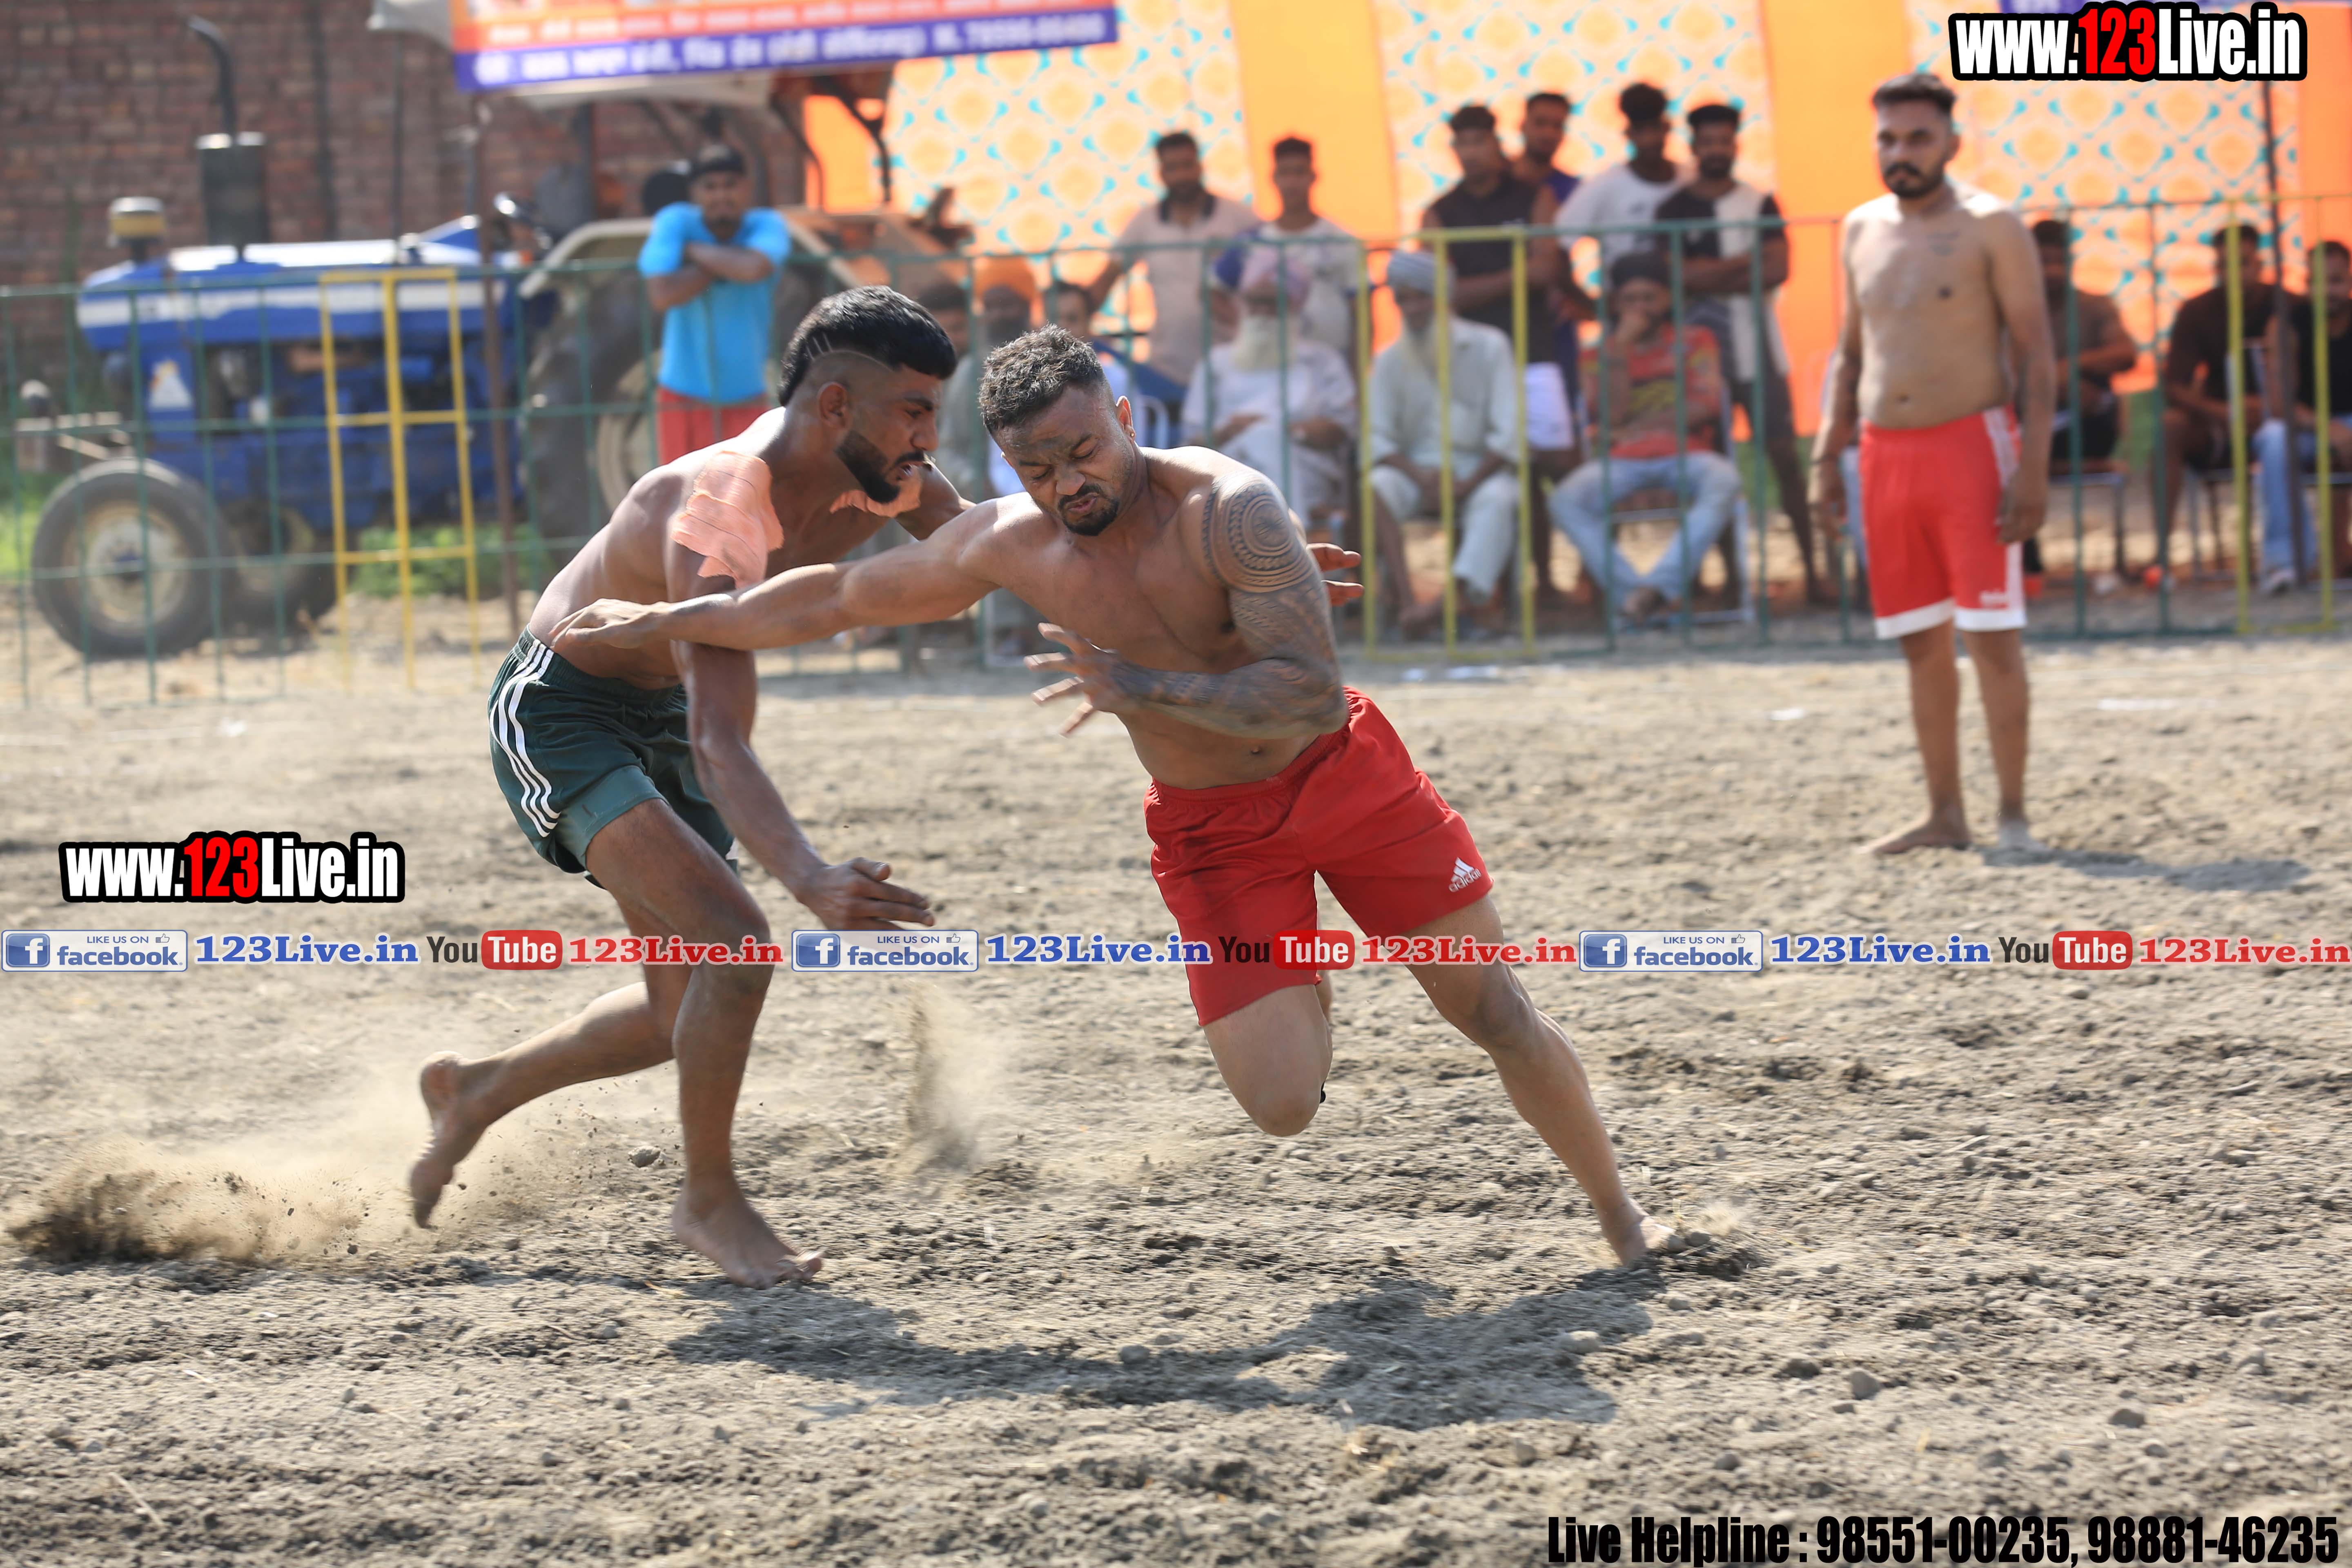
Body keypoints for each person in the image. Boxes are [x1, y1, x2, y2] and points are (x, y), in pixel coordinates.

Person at [555, 326, 1676, 1267]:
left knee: (1491, 1010)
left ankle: (1625, 1223)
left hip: (1346, 780)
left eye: (1083, 451)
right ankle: (1303, 974)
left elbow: (1306, 688)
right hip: (1213, 832)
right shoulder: (1012, 544)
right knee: (1282, 1104)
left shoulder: (1230, 507)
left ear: (1126, 416)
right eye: (1037, 469)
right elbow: (833, 598)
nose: (1067, 484)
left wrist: (1142, 686)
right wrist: (660, 620)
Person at [408, 288, 963, 1289]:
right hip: (564, 711)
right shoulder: (721, 509)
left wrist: (1171, 595)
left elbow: (995, 548)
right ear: (837, 406)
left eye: (935, 412)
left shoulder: (884, 469)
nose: (931, 438)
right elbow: (719, 735)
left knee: (681, 1010)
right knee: (737, 947)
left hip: (657, 712)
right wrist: (806, 875)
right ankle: (708, 1201)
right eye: (914, 411)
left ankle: (474, 1092)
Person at [1809, 73, 2054, 855]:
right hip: (1885, 455)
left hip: (1972, 448)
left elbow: (2036, 353)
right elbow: (1851, 353)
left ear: (1951, 142)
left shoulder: (1993, 226)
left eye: (1918, 138)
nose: (1901, 153)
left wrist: (2035, 467)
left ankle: (2013, 817)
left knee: (1991, 637)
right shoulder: (1860, 228)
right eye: (1888, 138)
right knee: (1919, 639)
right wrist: (1827, 453)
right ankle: (1945, 815)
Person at [1653, 102, 1826, 603]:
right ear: (1693, 146)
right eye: (1707, 142)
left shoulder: (1760, 203)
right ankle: (1729, 578)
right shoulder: (1673, 209)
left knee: (1784, 457)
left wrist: (1703, 274)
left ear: (1736, 144)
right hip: (1699, 363)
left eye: (1723, 141)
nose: (1716, 150)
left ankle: (1815, 573)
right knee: (1711, 465)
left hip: (1759, 349)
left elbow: (1777, 269)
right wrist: (1742, 265)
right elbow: (1673, 276)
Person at [1551, 252, 1742, 624]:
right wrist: (1620, 350)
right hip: (1622, 460)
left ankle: (1653, 591)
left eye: (1649, 298)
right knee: (1565, 500)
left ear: (1668, 299)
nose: (1640, 309)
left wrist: (1638, 429)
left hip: (1686, 453)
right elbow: (1610, 416)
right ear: (1615, 304)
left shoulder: (1695, 341)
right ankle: (1641, 596)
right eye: (1630, 300)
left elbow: (1704, 405)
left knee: (1725, 480)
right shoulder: (1597, 354)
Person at [1369, 251, 1523, 636]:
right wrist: (1422, 477)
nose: (1413, 309)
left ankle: (1443, 609)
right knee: (1377, 486)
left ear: (1444, 297)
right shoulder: (1388, 360)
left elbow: (1508, 435)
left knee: (1500, 498)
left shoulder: (1490, 346)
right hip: (1417, 473)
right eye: (1404, 300)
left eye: (1422, 297)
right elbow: (1378, 439)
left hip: (1479, 471)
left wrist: (1466, 484)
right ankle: (1408, 604)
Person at [1183, 250, 1356, 532]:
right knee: (1255, 452)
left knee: (1265, 440)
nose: (1263, 312)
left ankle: (1279, 536)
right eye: (1255, 302)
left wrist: (1286, 431)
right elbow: (1193, 441)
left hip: (1303, 466)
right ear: (1243, 304)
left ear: (1293, 307)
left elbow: (1342, 427)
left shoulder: (1321, 361)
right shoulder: (1217, 362)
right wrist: (1230, 432)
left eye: (1273, 303)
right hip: (1229, 463)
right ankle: (1291, 536)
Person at [639, 145, 792, 463]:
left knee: (744, 490)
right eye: (710, 187)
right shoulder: (675, 221)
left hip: (746, 397)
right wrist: (728, 262)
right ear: (694, 193)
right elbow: (661, 294)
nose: (721, 195)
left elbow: (753, 269)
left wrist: (694, 252)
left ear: (747, 188)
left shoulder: (767, 223)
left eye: (730, 185)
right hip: (682, 397)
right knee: (683, 492)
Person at [1089, 131, 1262, 386]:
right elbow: (1108, 277)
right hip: (1168, 370)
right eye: (1172, 168)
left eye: (1187, 165)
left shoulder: (1239, 218)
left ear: (1200, 166)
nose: (1182, 176)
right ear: (1161, 173)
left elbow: (1273, 277)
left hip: (1233, 365)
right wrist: (1072, 321)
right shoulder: (1145, 223)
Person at [2160, 225, 2276, 563]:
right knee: (2170, 426)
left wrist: (2272, 407)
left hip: (2286, 422)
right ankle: (2162, 556)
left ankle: (2330, 554)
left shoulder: (2290, 306)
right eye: (2225, 265)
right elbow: (2174, 385)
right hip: (2221, 425)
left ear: (2260, 264)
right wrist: (2225, 412)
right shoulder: (2197, 311)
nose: (2234, 274)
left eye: (2243, 263)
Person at [2253, 239, 2352, 590]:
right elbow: (2280, 403)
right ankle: (2287, 561)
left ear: (2350, 281)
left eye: (2337, 281)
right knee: (2273, 439)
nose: (2328, 291)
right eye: (2319, 282)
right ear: (2308, 284)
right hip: (2310, 428)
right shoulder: (2288, 325)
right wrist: (2329, 428)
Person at [1420, 104, 1555, 343]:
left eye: (1479, 142)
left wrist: (1470, 289)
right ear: (1454, 148)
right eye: (1463, 143)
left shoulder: (1535, 198)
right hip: (1468, 347)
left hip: (1532, 341)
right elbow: (1439, 293)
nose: (1471, 153)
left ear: (1497, 144)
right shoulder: (1439, 213)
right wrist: (1519, 277)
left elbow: (1545, 270)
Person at [1251, 136, 1361, 363]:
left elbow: (1361, 309)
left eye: (1299, 172)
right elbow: (1214, 289)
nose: (1292, 182)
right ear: (1274, 178)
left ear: (1314, 176)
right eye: (1285, 173)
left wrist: (1359, 369)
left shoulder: (1341, 240)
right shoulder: (1256, 242)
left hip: (1332, 367)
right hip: (1274, 366)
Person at [1557, 83, 1685, 271]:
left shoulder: (1689, 179)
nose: (1650, 139)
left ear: (1667, 127)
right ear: (1628, 134)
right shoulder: (1605, 185)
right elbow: (1560, 240)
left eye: (1655, 128)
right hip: (1625, 288)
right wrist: (1577, 291)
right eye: (1641, 130)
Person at [1513, 90, 1579, 207]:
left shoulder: (1574, 192)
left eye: (1557, 126)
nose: (1548, 134)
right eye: (1540, 123)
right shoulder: (1494, 182)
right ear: (1522, 126)